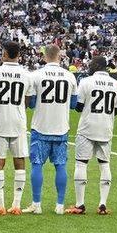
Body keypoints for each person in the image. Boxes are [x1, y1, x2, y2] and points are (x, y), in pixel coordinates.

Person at [25, 44, 77, 215]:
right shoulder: (69, 76)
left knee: (37, 164)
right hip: (61, 128)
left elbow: (31, 103)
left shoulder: (36, 75)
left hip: (41, 127)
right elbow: (74, 104)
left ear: (44, 56)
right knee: (60, 166)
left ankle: (36, 204)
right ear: (59, 56)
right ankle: (60, 205)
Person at [69, 56, 117, 215]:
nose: (89, 66)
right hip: (106, 129)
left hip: (87, 128)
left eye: (91, 64)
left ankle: (80, 205)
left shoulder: (86, 82)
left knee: (81, 163)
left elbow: (78, 107)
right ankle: (102, 204)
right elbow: (116, 110)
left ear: (98, 65)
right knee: (105, 164)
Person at [0, 41, 33, 215]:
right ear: (19, 55)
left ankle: (0, 205)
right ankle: (16, 205)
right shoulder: (27, 75)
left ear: (4, 54)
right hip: (18, 121)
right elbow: (28, 100)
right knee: (19, 160)